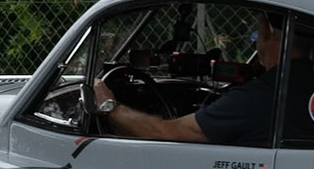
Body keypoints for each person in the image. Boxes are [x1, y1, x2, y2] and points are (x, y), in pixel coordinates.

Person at [91, 10, 284, 146]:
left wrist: (111, 107)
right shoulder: (305, 89)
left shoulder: (251, 100)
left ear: (267, 33)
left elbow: (166, 133)